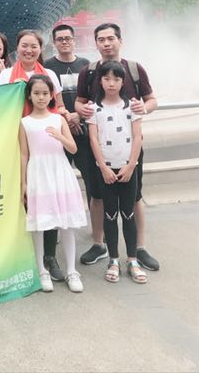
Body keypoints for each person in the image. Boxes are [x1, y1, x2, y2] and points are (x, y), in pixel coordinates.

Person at [75, 22, 159, 271]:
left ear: (120, 40)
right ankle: (99, 244)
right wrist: (83, 110)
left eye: (111, 38)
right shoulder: (89, 71)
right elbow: (79, 102)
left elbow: (151, 100)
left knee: (135, 197)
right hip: (99, 149)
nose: (106, 43)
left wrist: (144, 108)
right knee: (97, 195)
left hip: (129, 149)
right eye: (101, 39)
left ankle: (139, 248)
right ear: (96, 43)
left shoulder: (134, 69)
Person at [19, 74, 86, 294]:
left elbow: (73, 148)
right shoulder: (25, 123)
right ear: (29, 96)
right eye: (36, 93)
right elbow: (24, 154)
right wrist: (23, 182)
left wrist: (60, 136)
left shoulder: (58, 119)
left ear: (51, 96)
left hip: (60, 172)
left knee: (66, 223)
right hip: (38, 173)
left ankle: (71, 271)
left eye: (45, 93)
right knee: (40, 224)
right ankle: (42, 271)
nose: (41, 97)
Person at [87, 61, 146, 284]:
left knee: (128, 213)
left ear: (123, 82)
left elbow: (138, 136)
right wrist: (103, 167)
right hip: (106, 170)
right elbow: (93, 139)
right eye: (107, 79)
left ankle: (132, 259)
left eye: (116, 79)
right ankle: (113, 259)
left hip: (128, 168)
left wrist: (131, 165)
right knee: (110, 214)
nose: (111, 83)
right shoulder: (94, 109)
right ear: (100, 81)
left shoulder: (132, 107)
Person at [42, 24, 90, 282]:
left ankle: (98, 237)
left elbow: (92, 96)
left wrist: (77, 116)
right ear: (54, 42)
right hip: (58, 133)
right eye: (59, 39)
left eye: (68, 38)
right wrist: (65, 118)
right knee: (55, 185)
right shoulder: (48, 67)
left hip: (83, 133)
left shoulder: (85, 65)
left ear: (74, 40)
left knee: (91, 183)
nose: (64, 42)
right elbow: (48, 98)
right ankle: (53, 233)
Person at [0, 30, 64, 113]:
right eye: (24, 46)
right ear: (17, 48)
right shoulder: (6, 74)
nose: (28, 50)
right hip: (16, 121)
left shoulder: (50, 75)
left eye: (34, 47)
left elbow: (60, 106)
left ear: (40, 49)